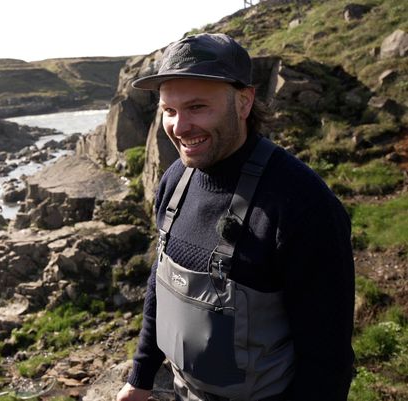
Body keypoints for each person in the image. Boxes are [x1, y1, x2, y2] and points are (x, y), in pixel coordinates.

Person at [116, 33, 355, 401]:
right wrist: (140, 377)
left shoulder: (301, 205)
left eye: (197, 107)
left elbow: (327, 361)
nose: (179, 128)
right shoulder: (175, 180)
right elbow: (160, 284)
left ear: (244, 102)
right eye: (169, 110)